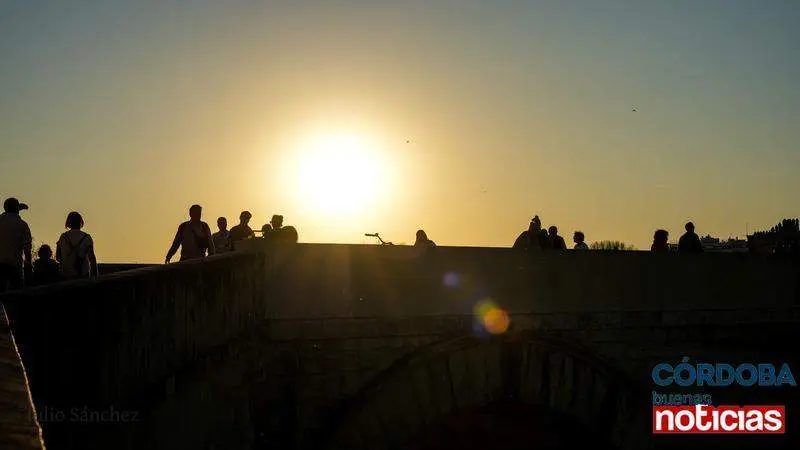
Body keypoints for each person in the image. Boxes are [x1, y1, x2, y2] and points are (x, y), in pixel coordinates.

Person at [0, 198, 33, 292]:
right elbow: (27, 249)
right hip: (14, 266)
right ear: (17, 209)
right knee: (16, 294)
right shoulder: (22, 225)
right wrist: (29, 266)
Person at [56, 211, 99, 279]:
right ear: (80, 222)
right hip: (83, 274)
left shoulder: (63, 237)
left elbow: (58, 256)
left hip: (66, 275)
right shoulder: (86, 237)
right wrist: (96, 276)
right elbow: (92, 258)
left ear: (69, 223)